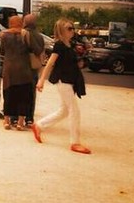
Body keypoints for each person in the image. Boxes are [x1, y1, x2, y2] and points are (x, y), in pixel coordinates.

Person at [33, 18, 92, 155]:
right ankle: (75, 142)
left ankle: (39, 125)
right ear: (61, 30)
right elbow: (50, 63)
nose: (72, 30)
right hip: (63, 81)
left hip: (69, 80)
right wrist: (41, 80)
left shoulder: (69, 44)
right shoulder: (59, 45)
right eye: (69, 28)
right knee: (74, 111)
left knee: (64, 111)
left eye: (72, 28)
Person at [0, 16, 33, 130]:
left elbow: (2, 52)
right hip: (24, 69)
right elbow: (32, 49)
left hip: (9, 69)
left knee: (8, 94)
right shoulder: (25, 35)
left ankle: (6, 121)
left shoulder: (4, 36)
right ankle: (20, 122)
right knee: (23, 95)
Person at [23, 13, 46, 127]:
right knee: (31, 93)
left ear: (25, 22)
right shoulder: (40, 36)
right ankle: (29, 118)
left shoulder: (24, 34)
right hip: (34, 66)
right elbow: (41, 50)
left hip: (23, 65)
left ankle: (17, 116)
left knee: (21, 91)